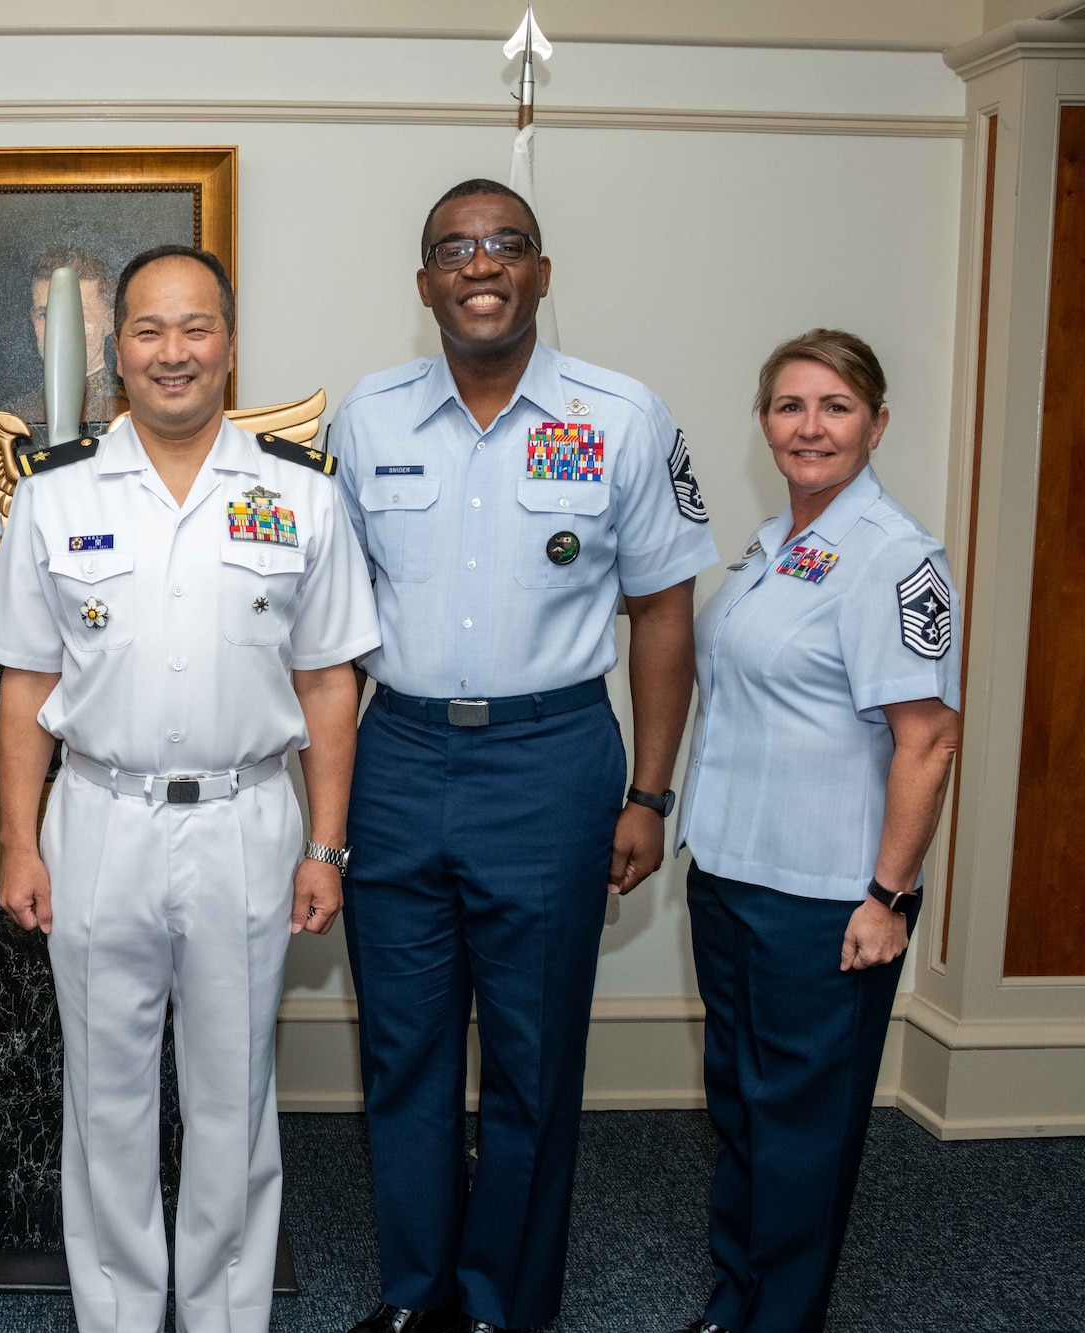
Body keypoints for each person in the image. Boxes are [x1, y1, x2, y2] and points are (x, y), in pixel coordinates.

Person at [331, 179, 719, 1333]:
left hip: (550, 764)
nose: (480, 263)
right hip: (394, 758)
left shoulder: (622, 414)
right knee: (399, 1055)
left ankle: (501, 1305)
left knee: (532, 1064)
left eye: (505, 244)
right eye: (453, 248)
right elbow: (329, 630)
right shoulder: (366, 417)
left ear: (542, 273)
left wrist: (648, 791)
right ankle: (415, 1297)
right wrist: (327, 797)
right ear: (423, 286)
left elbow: (661, 610)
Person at [0, 245, 380, 1333]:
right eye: (148, 330)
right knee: (103, 1101)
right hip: (97, 821)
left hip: (250, 822)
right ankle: (114, 1317)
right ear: (114, 352)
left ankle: (221, 1317)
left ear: (231, 344)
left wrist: (324, 847)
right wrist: (18, 844)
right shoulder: (54, 502)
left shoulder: (298, 498)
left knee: (231, 1097)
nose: (172, 352)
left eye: (195, 328)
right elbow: (22, 688)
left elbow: (328, 683)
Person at [668, 331, 960, 1333]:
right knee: (742, 1111)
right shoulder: (776, 547)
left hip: (825, 897)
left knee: (800, 1130)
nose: (809, 426)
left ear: (875, 424)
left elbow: (926, 740)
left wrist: (885, 897)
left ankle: (779, 1318)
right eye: (789, 406)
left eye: (834, 406)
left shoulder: (892, 559)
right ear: (763, 425)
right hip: (732, 875)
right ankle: (733, 1301)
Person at [11, 249, 121, 425]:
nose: (59, 331)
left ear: (109, 322)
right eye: (45, 316)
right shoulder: (14, 418)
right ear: (33, 319)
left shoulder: (133, 413)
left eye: (76, 314)